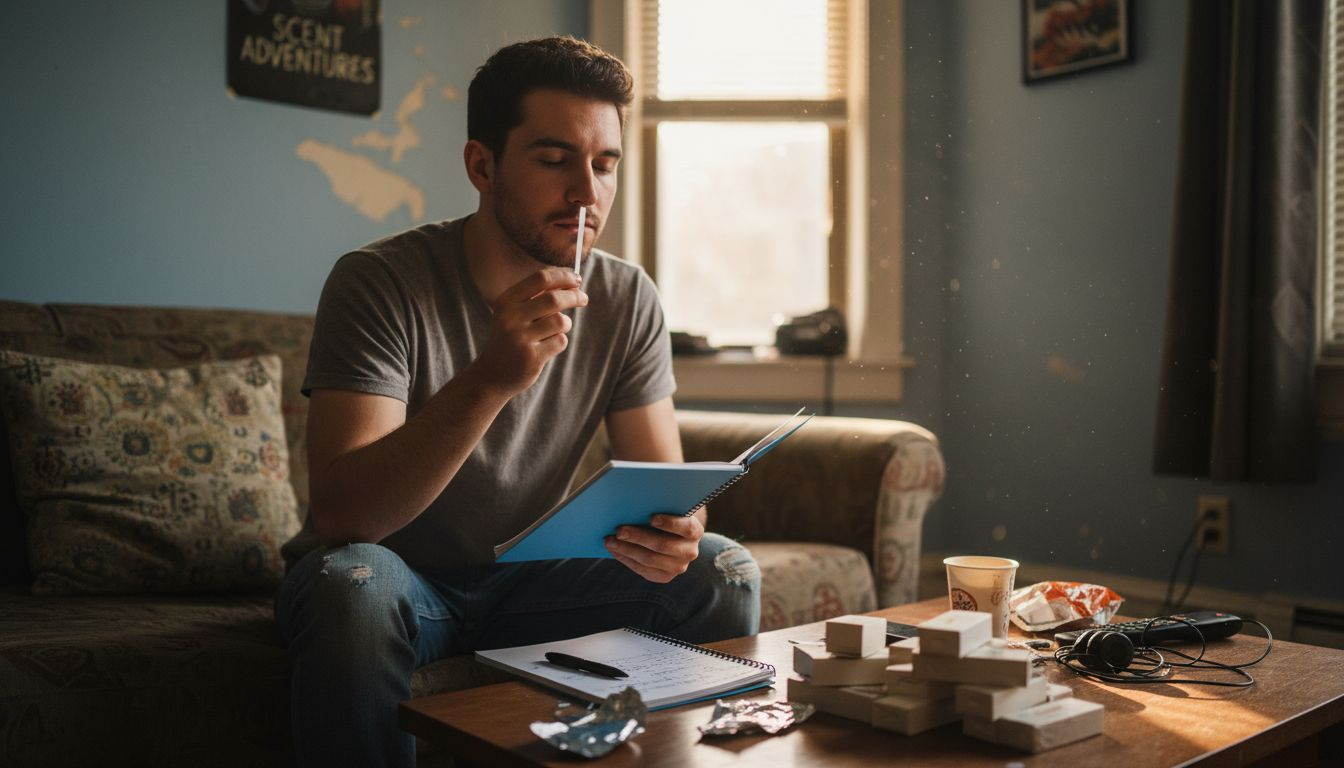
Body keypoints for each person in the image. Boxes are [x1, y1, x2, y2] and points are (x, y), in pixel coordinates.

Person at [275, 36, 761, 767]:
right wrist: (492, 377)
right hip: (398, 584)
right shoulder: (378, 282)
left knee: (720, 571)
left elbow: (665, 489)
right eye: (554, 159)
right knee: (354, 585)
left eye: (604, 164)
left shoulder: (626, 297)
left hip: (534, 583)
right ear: (482, 165)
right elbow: (347, 520)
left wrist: (678, 530)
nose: (586, 193)